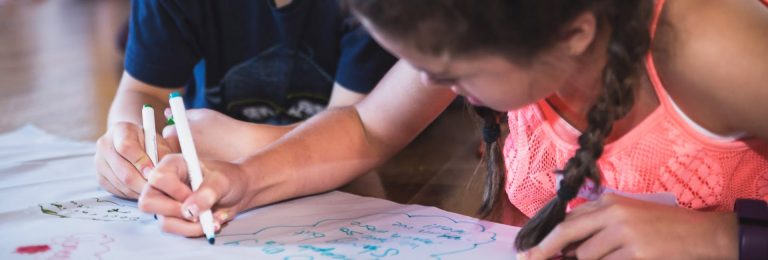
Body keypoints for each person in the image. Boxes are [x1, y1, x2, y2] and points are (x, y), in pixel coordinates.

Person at [137, 0, 768, 259]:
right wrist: (244, 178)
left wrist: (724, 237)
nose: (427, 85)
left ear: (574, 32)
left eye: (449, 73)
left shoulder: (715, 50)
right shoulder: (490, 20)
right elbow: (364, 126)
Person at [95, 0, 396, 199]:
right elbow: (144, 94)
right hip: (207, 170)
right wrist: (135, 147)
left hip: (339, 193)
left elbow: (357, 134)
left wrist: (245, 144)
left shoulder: (377, 8)